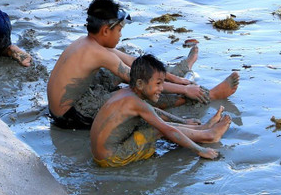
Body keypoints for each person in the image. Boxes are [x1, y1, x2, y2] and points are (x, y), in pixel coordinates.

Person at [46, 0, 240, 129]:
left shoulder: (88, 43)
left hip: (68, 104)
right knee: (140, 92)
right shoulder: (98, 53)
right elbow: (140, 80)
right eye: (119, 30)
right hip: (71, 117)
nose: (121, 34)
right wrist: (185, 90)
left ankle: (179, 71)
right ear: (106, 31)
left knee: (133, 69)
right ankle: (211, 94)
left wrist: (173, 77)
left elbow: (133, 62)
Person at [90, 54, 232, 167]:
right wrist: (200, 150)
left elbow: (154, 112)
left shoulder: (126, 94)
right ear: (140, 84)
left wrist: (183, 121)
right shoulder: (136, 103)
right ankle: (208, 136)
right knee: (156, 128)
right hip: (112, 158)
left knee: (152, 122)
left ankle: (203, 128)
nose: (162, 89)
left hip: (103, 153)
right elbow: (166, 129)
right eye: (158, 84)